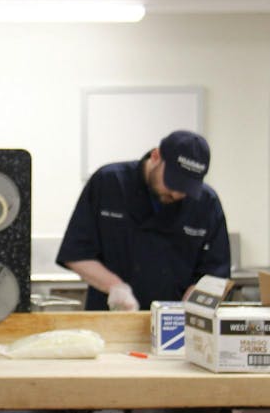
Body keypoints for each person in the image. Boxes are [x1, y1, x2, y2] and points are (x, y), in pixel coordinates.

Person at [57, 130, 231, 311]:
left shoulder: (206, 203)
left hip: (175, 327)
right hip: (111, 317)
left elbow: (215, 274)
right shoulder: (108, 183)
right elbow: (76, 254)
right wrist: (115, 287)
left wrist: (191, 308)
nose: (177, 194)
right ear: (156, 156)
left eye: (186, 187)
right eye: (173, 182)